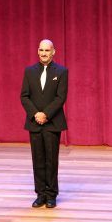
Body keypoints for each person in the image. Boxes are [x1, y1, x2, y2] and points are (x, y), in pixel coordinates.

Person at [20, 39, 68, 209]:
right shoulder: (29, 71)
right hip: (35, 122)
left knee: (51, 160)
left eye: (47, 50)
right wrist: (36, 114)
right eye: (41, 50)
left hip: (52, 122)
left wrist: (46, 114)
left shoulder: (62, 71)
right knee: (38, 159)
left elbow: (60, 97)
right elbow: (24, 96)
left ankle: (51, 195)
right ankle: (40, 194)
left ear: (53, 52)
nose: (43, 53)